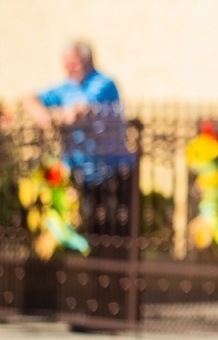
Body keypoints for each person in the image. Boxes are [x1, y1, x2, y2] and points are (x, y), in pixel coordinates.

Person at [24, 41, 135, 238]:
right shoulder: (66, 87)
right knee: (84, 227)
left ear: (87, 60)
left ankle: (113, 267)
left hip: (111, 171)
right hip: (79, 171)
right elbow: (30, 99)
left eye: (73, 62)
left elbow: (78, 111)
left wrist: (53, 117)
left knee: (113, 232)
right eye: (66, 62)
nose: (68, 67)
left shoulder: (103, 83)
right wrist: (41, 114)